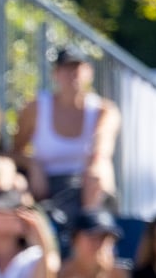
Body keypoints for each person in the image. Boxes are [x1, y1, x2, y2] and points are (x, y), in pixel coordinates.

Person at [13, 49, 121, 224]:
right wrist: (32, 164)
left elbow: (102, 146)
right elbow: (14, 150)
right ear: (55, 74)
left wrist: (95, 162)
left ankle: (90, 228)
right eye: (66, 68)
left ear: (89, 73)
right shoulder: (35, 108)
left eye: (77, 68)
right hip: (46, 188)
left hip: (85, 185)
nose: (72, 74)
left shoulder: (103, 110)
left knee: (99, 172)